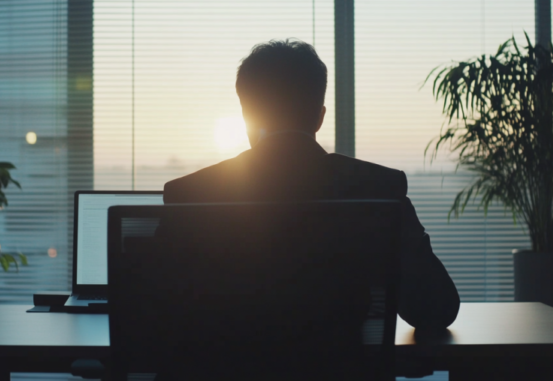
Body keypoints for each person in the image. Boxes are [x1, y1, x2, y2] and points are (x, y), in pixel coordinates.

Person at [161, 39, 460, 330]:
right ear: (319, 117)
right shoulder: (379, 188)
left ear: (246, 117)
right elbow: (436, 309)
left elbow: (150, 311)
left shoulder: (191, 195)